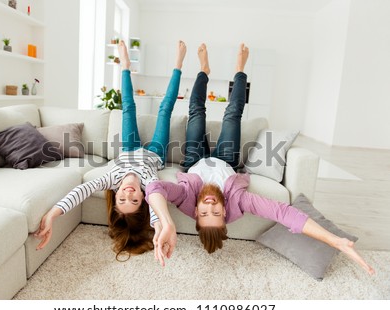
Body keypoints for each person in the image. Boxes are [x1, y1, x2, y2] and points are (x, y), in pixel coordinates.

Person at [146, 43, 375, 275]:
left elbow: (154, 187)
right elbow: (284, 213)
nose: (210, 206)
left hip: (195, 160)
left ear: (195, 212)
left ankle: (204, 70)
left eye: (205, 213)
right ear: (225, 212)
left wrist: (168, 223)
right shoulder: (238, 201)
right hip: (226, 160)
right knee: (233, 114)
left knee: (196, 110)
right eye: (216, 213)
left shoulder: (187, 198)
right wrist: (335, 240)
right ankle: (240, 68)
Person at [34, 40, 187, 260]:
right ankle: (178, 64)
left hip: (128, 148)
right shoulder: (150, 188)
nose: (128, 194)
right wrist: (162, 229)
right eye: (134, 201)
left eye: (122, 199)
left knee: (128, 107)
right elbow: (156, 215)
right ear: (143, 197)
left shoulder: (112, 179)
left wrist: (51, 216)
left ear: (115, 196)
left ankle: (124, 65)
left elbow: (80, 192)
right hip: (156, 153)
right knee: (164, 110)